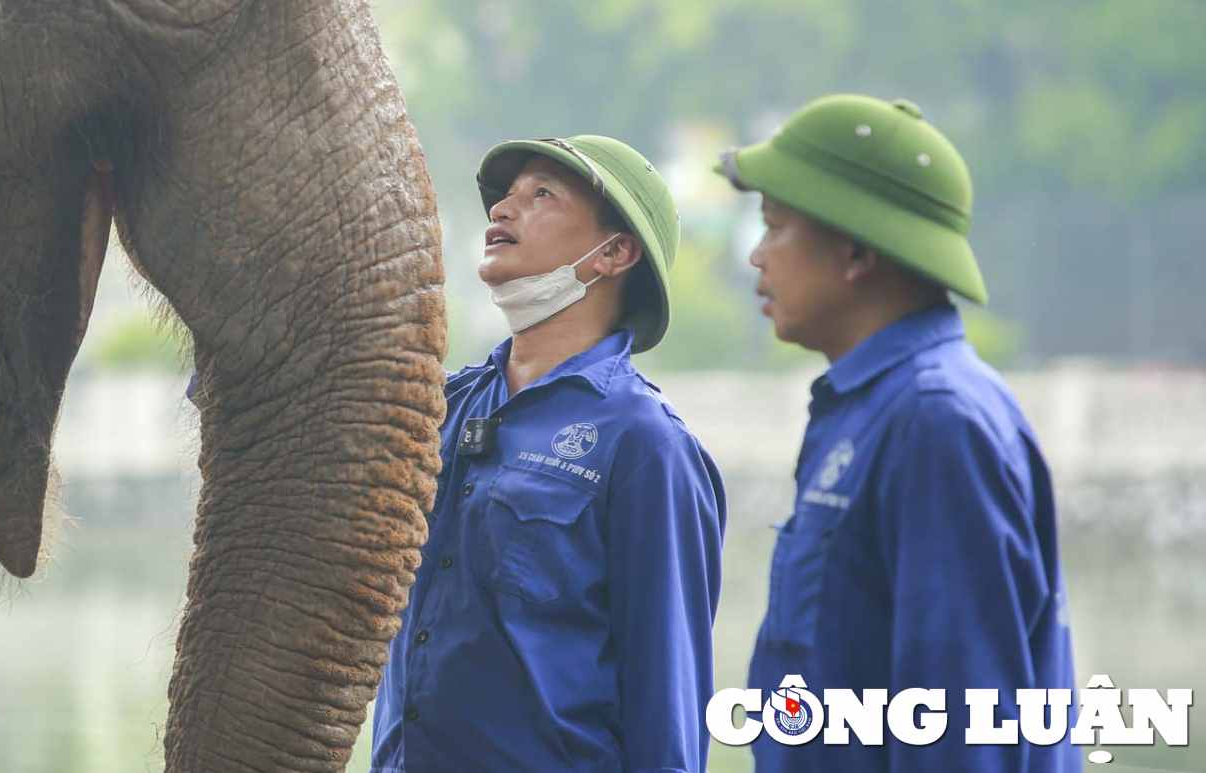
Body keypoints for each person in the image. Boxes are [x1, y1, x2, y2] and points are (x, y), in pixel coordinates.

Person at [721, 95, 1074, 770]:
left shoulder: (936, 420)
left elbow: (961, 730)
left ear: (855, 251)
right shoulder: (869, 405)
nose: (757, 256)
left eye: (775, 226)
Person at [370, 134, 727, 772]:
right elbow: (300, 435)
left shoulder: (646, 445)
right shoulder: (440, 408)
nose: (502, 211)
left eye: (541, 195)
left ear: (614, 253)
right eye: (504, 197)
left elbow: (667, 705)